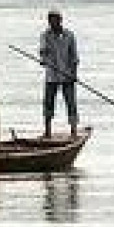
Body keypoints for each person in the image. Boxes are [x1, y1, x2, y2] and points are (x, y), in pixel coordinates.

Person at [39, 8, 79, 138]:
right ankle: (47, 131)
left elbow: (74, 57)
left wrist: (73, 74)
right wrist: (44, 60)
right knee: (48, 102)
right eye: (50, 21)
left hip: (67, 75)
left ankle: (73, 130)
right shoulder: (45, 35)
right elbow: (43, 51)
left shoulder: (69, 35)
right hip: (51, 76)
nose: (52, 23)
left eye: (54, 20)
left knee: (71, 102)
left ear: (60, 21)